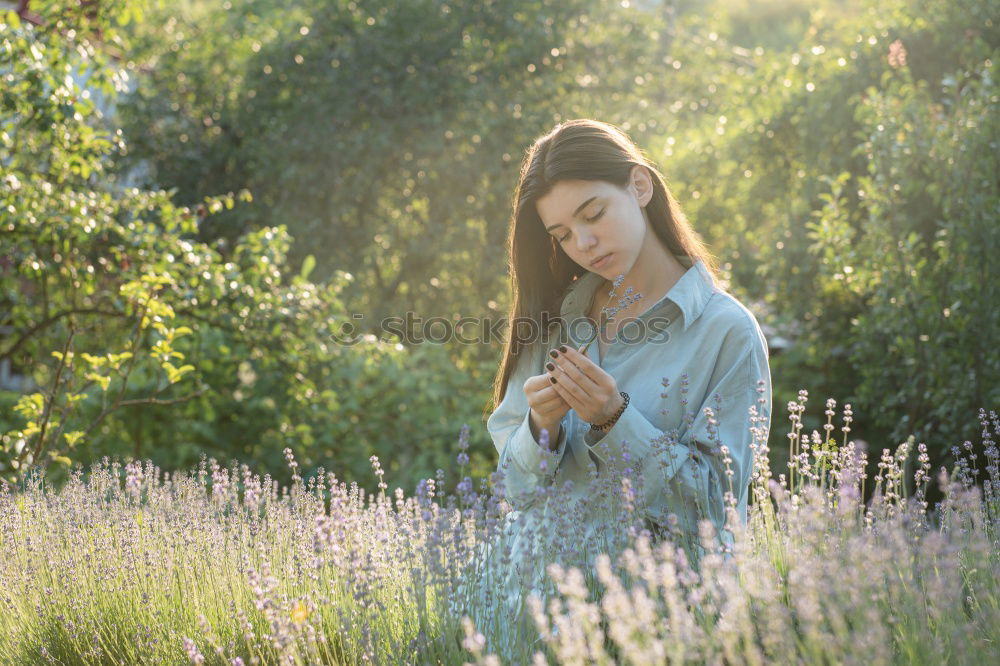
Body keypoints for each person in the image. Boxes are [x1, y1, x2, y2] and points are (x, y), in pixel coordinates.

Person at [471, 118, 772, 656]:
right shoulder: (553, 325)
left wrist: (614, 419)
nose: (583, 243)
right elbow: (516, 492)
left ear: (639, 186)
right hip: (538, 623)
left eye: (594, 214)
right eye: (562, 235)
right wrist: (541, 427)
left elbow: (713, 509)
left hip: (665, 630)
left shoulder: (726, 333)